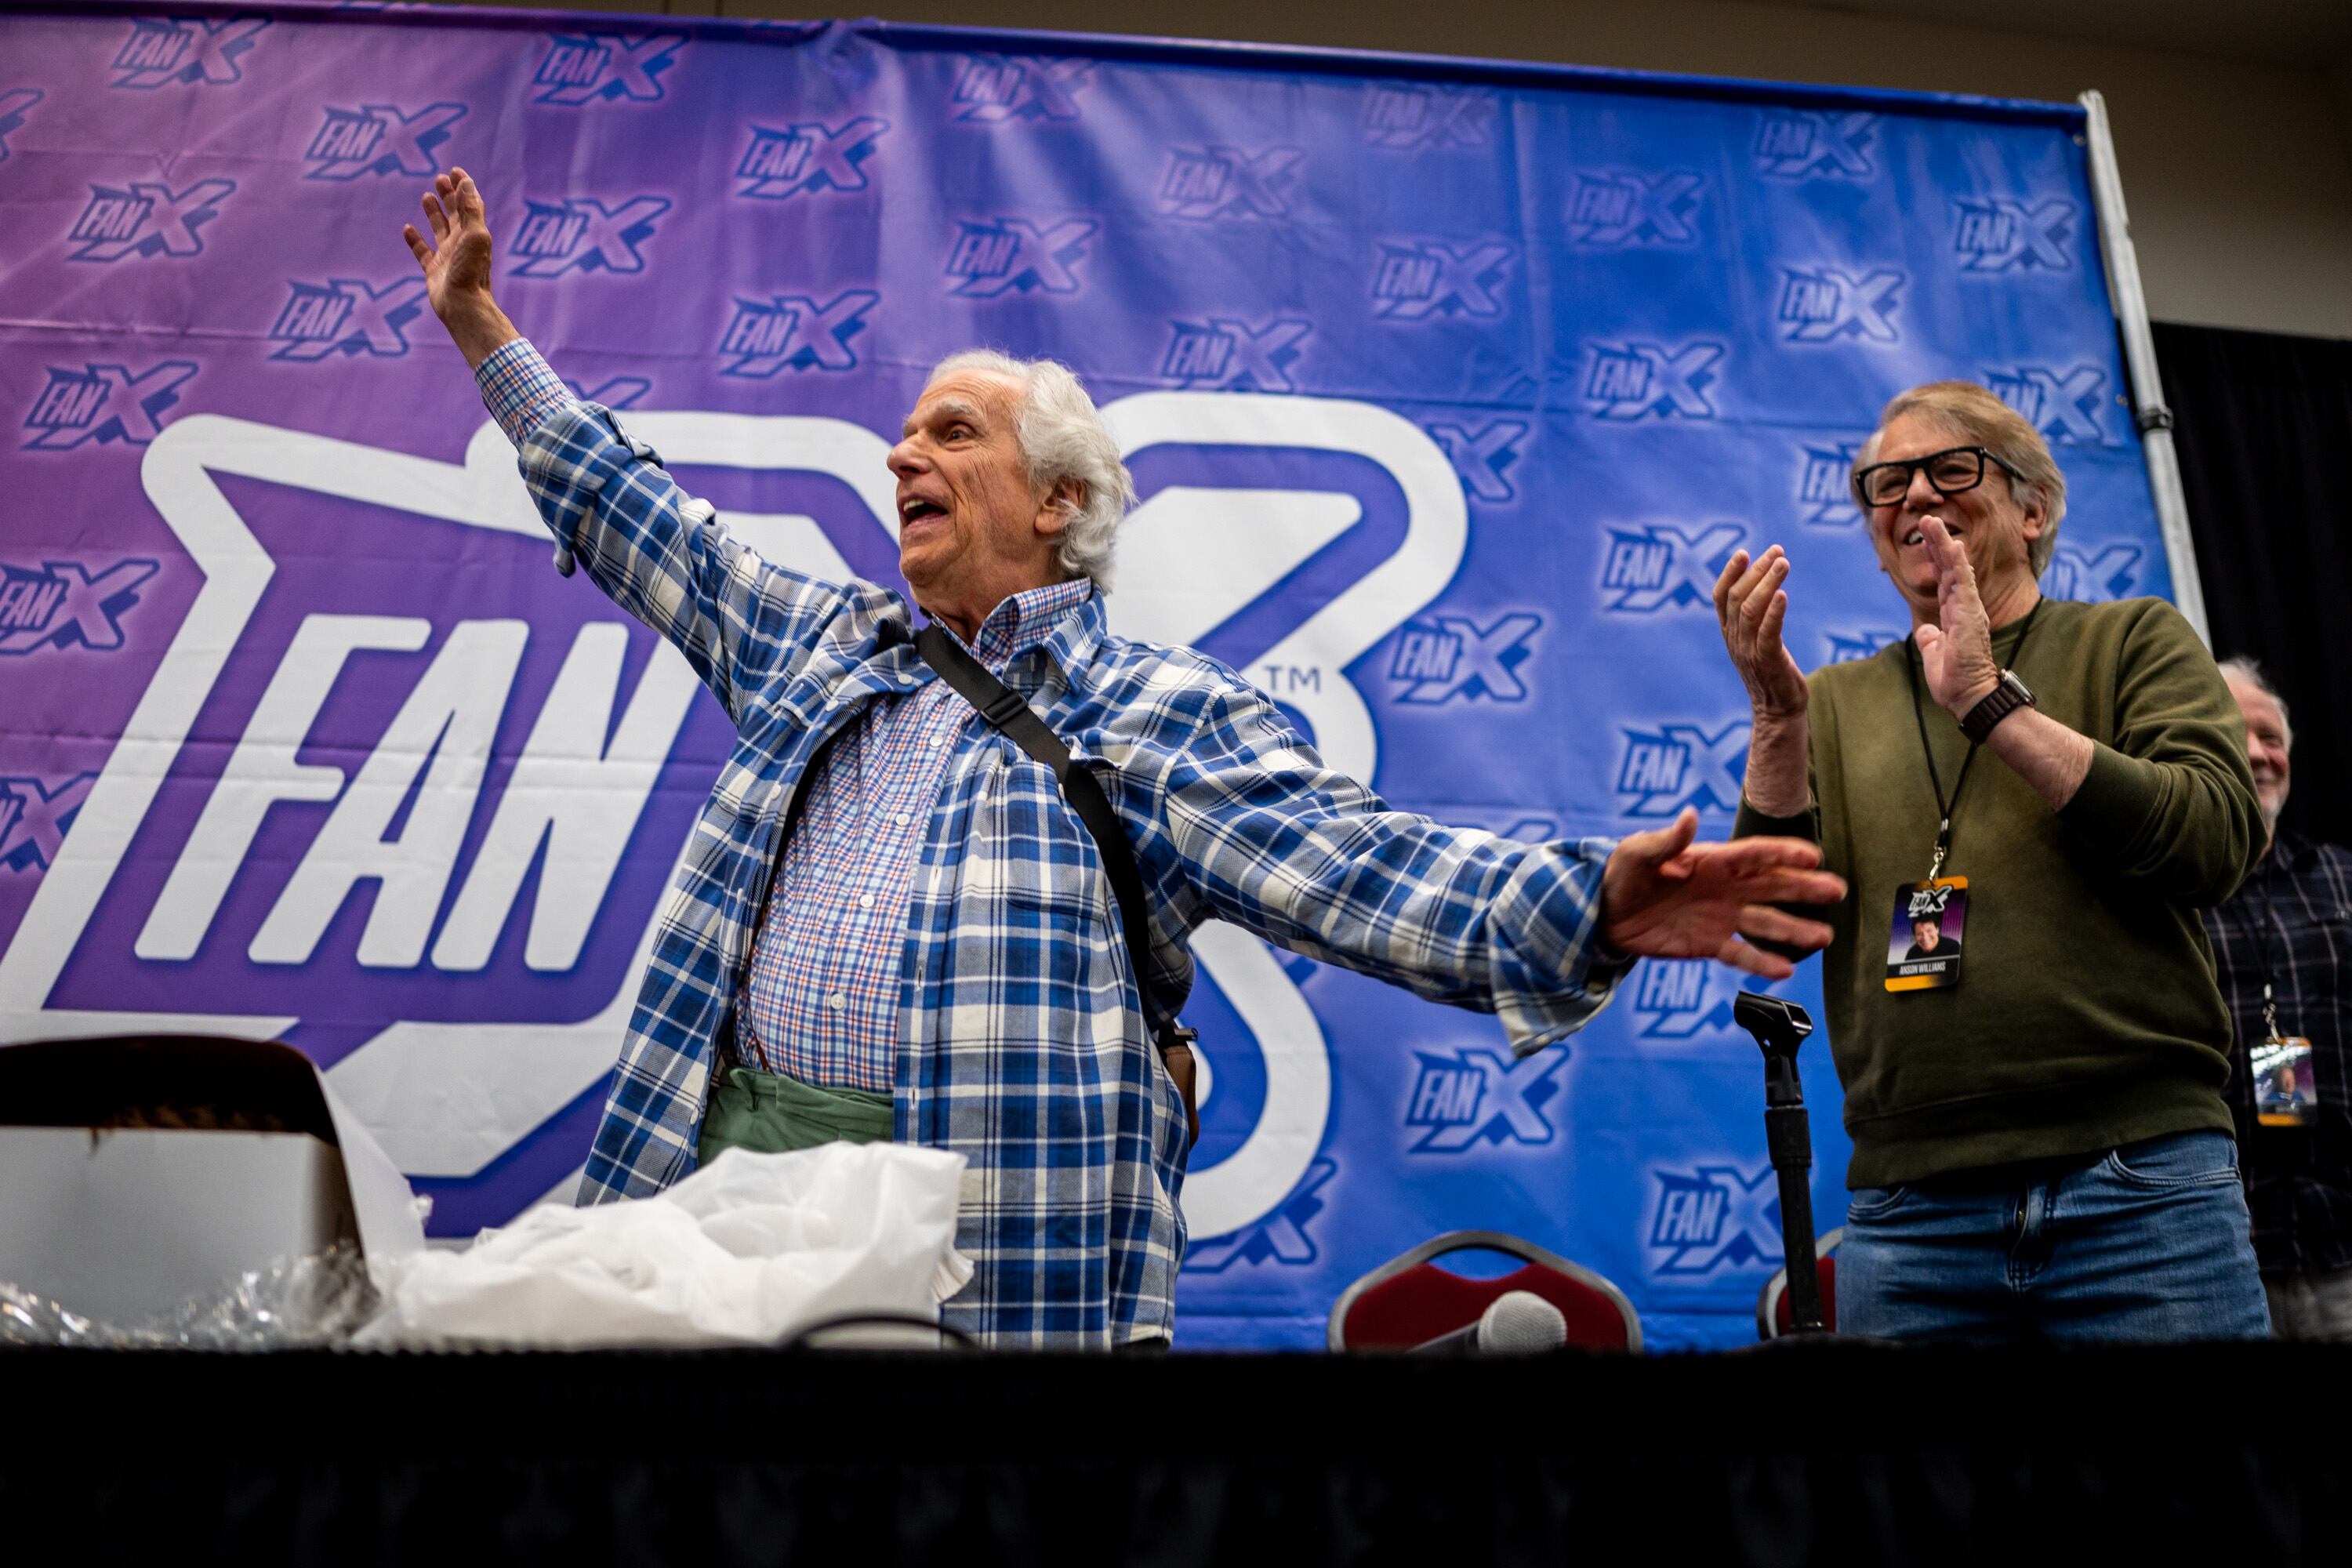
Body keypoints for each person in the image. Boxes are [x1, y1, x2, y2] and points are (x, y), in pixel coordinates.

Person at [400, 169, 1844, 1347]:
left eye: (950, 435)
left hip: (967, 1240)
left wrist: (1587, 903)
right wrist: (481, 332)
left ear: (1060, 501)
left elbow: (1360, 863)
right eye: (902, 438)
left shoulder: (1158, 713)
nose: (903, 457)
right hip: (713, 1181)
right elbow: (631, 509)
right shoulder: (821, 645)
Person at [1713, 378, 2268, 1343]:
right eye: (1887, 483)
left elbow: (2216, 839)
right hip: (1911, 1213)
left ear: (2033, 507)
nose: (1915, 494)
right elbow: (1766, 927)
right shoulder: (1834, 703)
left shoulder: (2131, 638)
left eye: (1950, 467)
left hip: (2143, 1190)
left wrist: (1991, 706)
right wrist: (1775, 721)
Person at [2204, 658, 2352, 1340]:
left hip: (2343, 1250)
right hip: (2212, 1265)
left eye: (2274, 740)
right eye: (2241, 734)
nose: (2262, 756)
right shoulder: (2156, 898)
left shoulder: (2343, 881)